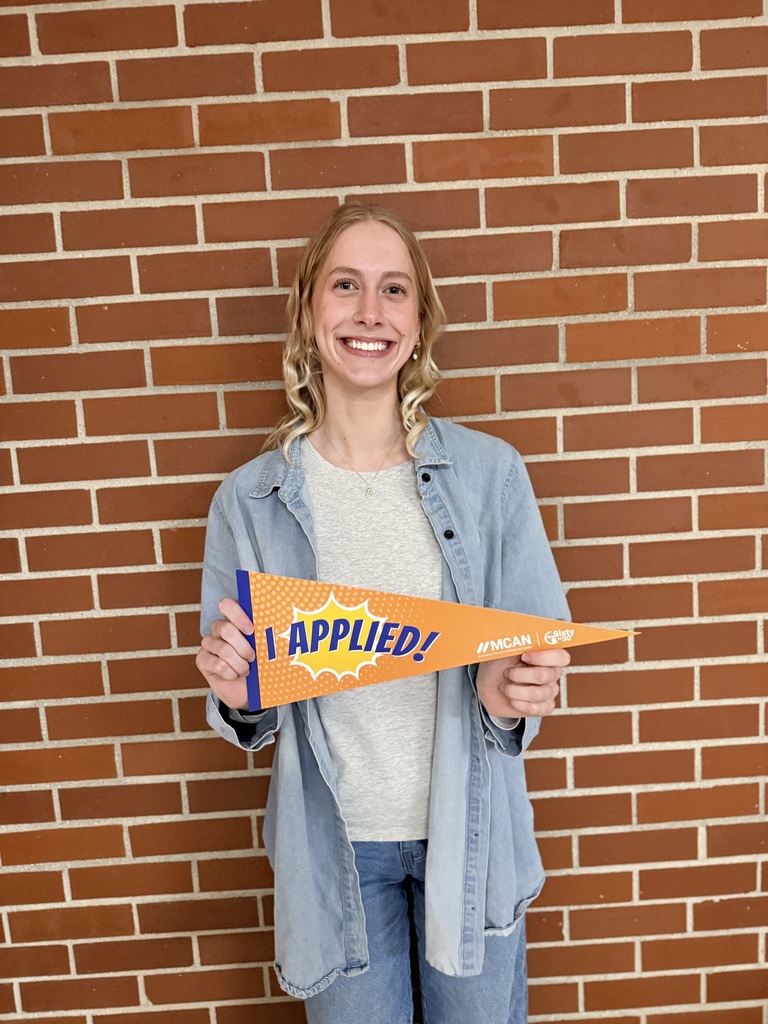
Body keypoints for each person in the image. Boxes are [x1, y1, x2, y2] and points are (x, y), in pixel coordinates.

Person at [196, 203, 570, 1024]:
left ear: (420, 321)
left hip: (469, 839)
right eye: (346, 286)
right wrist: (238, 691)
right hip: (335, 853)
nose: (370, 312)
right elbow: (246, 709)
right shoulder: (251, 502)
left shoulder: (490, 477)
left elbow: (532, 675)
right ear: (308, 312)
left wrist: (514, 697)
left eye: (394, 289)